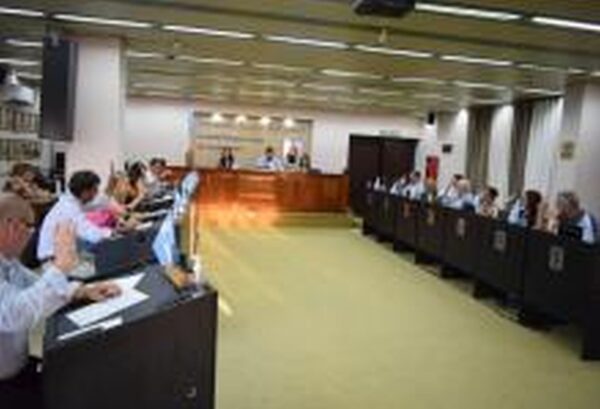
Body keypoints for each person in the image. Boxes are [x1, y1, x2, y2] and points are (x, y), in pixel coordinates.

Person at [0, 193, 121, 407]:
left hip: (17, 367)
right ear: (12, 226)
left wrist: (82, 291)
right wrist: (61, 266)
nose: (30, 235)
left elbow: (34, 284)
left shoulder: (9, 261)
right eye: (29, 228)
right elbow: (12, 315)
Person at [37, 171, 114, 262]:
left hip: (58, 253)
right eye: (95, 190)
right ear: (85, 192)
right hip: (51, 259)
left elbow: (94, 205)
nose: (96, 194)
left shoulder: (70, 201)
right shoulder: (69, 208)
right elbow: (89, 233)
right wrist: (112, 233)